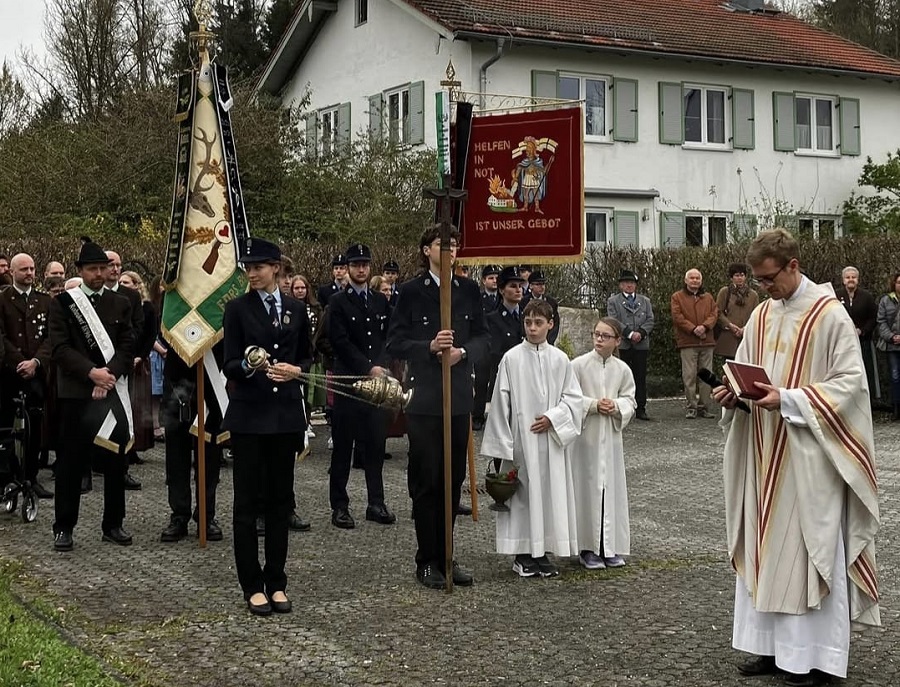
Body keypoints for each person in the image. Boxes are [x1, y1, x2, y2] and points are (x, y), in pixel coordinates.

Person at [710, 228, 880, 687]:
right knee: (764, 548)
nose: (765, 288)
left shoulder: (830, 316)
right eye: (759, 280)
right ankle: (769, 648)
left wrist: (787, 399)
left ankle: (813, 658)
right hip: (764, 451)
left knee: (809, 552)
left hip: (811, 458)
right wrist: (736, 396)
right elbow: (747, 374)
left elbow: (850, 385)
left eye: (770, 279)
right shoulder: (763, 315)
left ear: (793, 265)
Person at [386, 224, 489, 589]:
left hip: (458, 396)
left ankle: (448, 554)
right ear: (425, 250)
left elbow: (483, 337)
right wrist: (428, 347)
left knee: (452, 480)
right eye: (441, 245)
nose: (450, 251)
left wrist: (464, 353)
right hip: (426, 400)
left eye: (455, 245)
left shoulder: (469, 290)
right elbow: (395, 342)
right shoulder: (412, 292)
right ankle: (426, 558)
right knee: (427, 480)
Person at [222, 237, 312, 616]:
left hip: (284, 417)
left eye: (259, 267)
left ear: (276, 267)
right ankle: (251, 584)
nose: (252, 273)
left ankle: (277, 581)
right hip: (249, 416)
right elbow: (229, 364)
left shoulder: (295, 308)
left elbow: (306, 358)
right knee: (247, 503)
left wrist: (298, 371)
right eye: (248, 267)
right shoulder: (237, 310)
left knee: (279, 502)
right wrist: (249, 365)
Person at [480, 299, 583, 578]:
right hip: (521, 442)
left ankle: (544, 551)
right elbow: (500, 403)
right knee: (523, 496)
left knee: (550, 493)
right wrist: (502, 445)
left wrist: (554, 417)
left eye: (539, 323)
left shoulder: (560, 359)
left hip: (551, 440)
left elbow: (574, 399)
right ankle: (523, 553)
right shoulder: (511, 358)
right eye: (528, 323)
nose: (533, 328)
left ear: (551, 324)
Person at [49, 240, 134, 552]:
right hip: (76, 394)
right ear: (80, 271)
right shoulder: (62, 304)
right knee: (71, 463)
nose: (99, 274)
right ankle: (64, 527)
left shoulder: (121, 302)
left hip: (110, 392)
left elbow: (128, 346)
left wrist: (108, 374)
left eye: (103, 268)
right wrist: (91, 374)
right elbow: (60, 348)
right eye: (92, 269)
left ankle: (113, 524)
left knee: (115, 460)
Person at [327, 243, 395, 529]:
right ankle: (340, 506)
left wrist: (380, 367)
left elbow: (388, 336)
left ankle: (375, 502)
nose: (360, 269)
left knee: (375, 446)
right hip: (350, 383)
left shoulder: (380, 302)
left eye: (365, 264)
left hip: (376, 385)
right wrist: (368, 368)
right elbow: (339, 342)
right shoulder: (338, 303)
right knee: (343, 447)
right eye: (355, 265)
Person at [570, 317, 636, 570]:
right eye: (596, 334)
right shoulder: (578, 365)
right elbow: (570, 398)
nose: (599, 339)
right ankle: (587, 547)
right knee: (587, 489)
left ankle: (609, 546)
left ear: (617, 341)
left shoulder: (622, 369)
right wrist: (593, 405)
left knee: (610, 489)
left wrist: (616, 406)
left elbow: (630, 399)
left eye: (605, 336)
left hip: (610, 438)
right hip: (586, 438)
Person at [0, 253, 54, 499]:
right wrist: (18, 362)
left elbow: (51, 337)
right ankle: (8, 477)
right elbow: (2, 337)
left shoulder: (44, 302)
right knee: (7, 427)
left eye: (32, 268)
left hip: (36, 373)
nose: (29, 273)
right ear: (12, 272)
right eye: (23, 269)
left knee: (34, 428)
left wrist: (36, 362)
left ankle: (31, 478)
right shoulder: (3, 300)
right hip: (9, 374)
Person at [159, 344, 224, 542]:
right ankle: (179, 515)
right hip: (177, 379)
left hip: (211, 379)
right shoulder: (173, 310)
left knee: (210, 456)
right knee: (176, 456)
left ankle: (206, 515)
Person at [104, 251, 143, 489]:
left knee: (121, 417)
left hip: (121, 367)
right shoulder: (91, 298)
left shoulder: (130, 296)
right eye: (111, 264)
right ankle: (90, 470)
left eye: (119, 265)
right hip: (96, 368)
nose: (116, 269)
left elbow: (138, 328)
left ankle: (122, 467)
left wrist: (125, 355)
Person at [475, 266, 526, 431]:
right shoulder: (492, 319)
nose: (518, 290)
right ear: (502, 290)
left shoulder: (528, 317)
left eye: (520, 286)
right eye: (512, 286)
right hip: (502, 377)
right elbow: (494, 351)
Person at [118, 271, 157, 459]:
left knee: (138, 404)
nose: (122, 284)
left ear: (136, 285)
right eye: (120, 282)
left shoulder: (147, 307)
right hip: (123, 360)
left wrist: (140, 356)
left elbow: (150, 334)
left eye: (126, 282)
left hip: (140, 361)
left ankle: (136, 446)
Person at [607, 269, 654, 421]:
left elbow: (650, 319)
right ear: (621, 285)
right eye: (626, 283)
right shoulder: (613, 301)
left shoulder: (644, 300)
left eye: (632, 283)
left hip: (641, 344)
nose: (629, 285)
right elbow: (613, 320)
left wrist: (640, 332)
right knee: (622, 376)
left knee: (640, 377)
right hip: (624, 344)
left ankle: (641, 407)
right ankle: (622, 407)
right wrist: (629, 333)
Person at [670, 268, 717, 419]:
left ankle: (704, 407)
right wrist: (693, 329)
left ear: (701, 281)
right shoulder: (677, 297)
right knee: (689, 376)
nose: (695, 280)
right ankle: (691, 407)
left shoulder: (708, 297)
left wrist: (705, 327)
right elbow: (677, 317)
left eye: (697, 278)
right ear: (686, 280)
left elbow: (714, 314)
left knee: (706, 376)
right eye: (692, 278)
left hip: (706, 341)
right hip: (688, 342)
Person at [835, 266, 879, 403]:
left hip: (863, 341)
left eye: (853, 277)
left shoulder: (867, 296)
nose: (851, 280)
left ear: (858, 280)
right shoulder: (835, 296)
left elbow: (873, 318)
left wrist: (862, 330)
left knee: (865, 372)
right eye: (848, 277)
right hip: (842, 343)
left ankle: (867, 402)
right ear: (843, 280)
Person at [713, 263, 759, 362]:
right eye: (736, 275)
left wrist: (744, 329)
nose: (739, 278)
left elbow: (756, 315)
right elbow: (718, 312)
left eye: (742, 275)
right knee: (729, 366)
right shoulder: (725, 292)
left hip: (746, 336)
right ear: (731, 277)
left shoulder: (753, 295)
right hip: (729, 335)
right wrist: (730, 325)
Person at [875, 272, 900, 420]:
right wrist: (891, 337)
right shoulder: (886, 300)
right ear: (894, 284)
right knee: (895, 377)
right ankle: (896, 408)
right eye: (898, 282)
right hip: (892, 347)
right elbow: (881, 321)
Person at [521, 270, 560, 344]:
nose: (541, 287)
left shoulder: (551, 302)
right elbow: (522, 324)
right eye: (538, 284)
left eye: (543, 284)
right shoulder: (523, 302)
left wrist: (548, 341)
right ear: (531, 286)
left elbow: (555, 324)